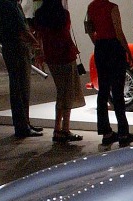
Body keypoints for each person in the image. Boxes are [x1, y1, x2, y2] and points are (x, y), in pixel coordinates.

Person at [33, 0, 85, 143]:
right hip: (65, 55)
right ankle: (64, 129)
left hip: (51, 56)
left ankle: (58, 128)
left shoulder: (40, 15)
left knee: (61, 91)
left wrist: (39, 53)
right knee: (67, 93)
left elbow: (39, 36)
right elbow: (66, 34)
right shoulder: (63, 14)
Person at [86, 0, 133, 147]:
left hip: (101, 48)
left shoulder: (91, 7)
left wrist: (98, 44)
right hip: (114, 48)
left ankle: (106, 132)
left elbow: (89, 29)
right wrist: (127, 50)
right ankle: (123, 132)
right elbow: (118, 32)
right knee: (118, 91)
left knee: (103, 90)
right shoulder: (113, 7)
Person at [0, 0, 43, 138]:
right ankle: (22, 126)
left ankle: (24, 123)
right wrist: (35, 43)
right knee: (21, 88)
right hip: (16, 47)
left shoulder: (1, 4)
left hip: (11, 46)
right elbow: (20, 29)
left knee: (19, 87)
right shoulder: (9, 4)